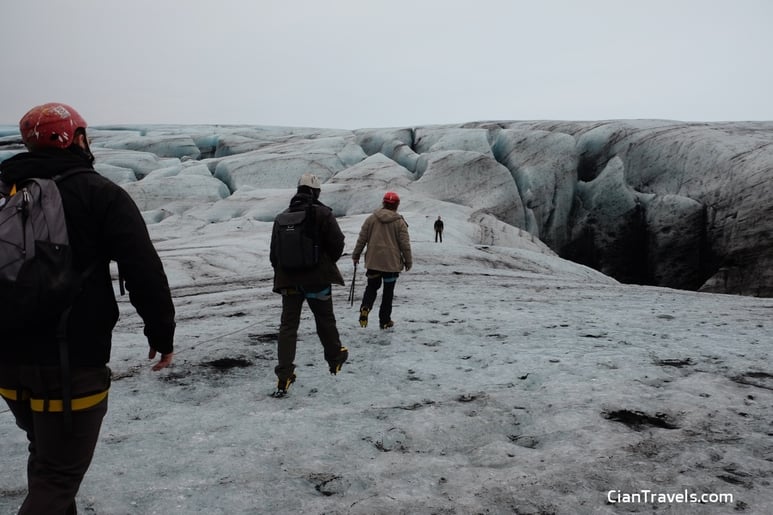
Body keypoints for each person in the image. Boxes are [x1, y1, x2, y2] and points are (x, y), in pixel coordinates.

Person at [0, 102, 176, 514]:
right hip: (71, 363)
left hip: (8, 363)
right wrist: (162, 333)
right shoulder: (100, 194)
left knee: (46, 458)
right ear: (74, 138)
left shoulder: (11, 192)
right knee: (58, 476)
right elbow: (143, 267)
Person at [269, 173, 348, 397]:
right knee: (324, 319)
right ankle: (335, 359)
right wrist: (324, 263)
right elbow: (337, 242)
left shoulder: (282, 217)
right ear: (316, 192)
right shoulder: (323, 213)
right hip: (317, 279)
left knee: (288, 327)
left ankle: (284, 375)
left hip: (288, 282)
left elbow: (274, 255)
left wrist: (286, 272)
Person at [352, 191, 413, 329]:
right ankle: (384, 321)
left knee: (372, 287)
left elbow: (362, 239)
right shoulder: (399, 222)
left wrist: (356, 255)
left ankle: (365, 307)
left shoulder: (371, 219)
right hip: (391, 264)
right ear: (396, 205)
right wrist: (408, 261)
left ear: (383, 203)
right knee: (388, 292)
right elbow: (404, 244)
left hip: (373, 262)